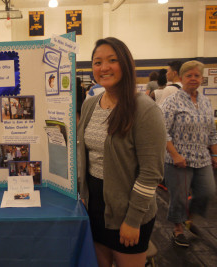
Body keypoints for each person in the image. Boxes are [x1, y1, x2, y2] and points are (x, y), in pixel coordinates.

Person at [77, 37, 166, 267]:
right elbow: (84, 155)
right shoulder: (90, 105)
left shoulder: (144, 109)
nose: (103, 67)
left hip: (128, 211)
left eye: (112, 60)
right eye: (97, 62)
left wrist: (133, 219)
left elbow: (151, 172)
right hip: (95, 207)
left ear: (125, 64)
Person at [161, 60, 217, 247]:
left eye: (197, 75)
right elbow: (163, 131)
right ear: (181, 78)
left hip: (202, 158)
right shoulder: (172, 101)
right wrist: (175, 155)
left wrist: (215, 155)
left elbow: (212, 132)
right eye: (189, 75)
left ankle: (189, 218)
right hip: (178, 160)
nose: (193, 79)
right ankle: (178, 230)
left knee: (207, 191)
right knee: (179, 197)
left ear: (202, 78)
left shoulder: (205, 102)